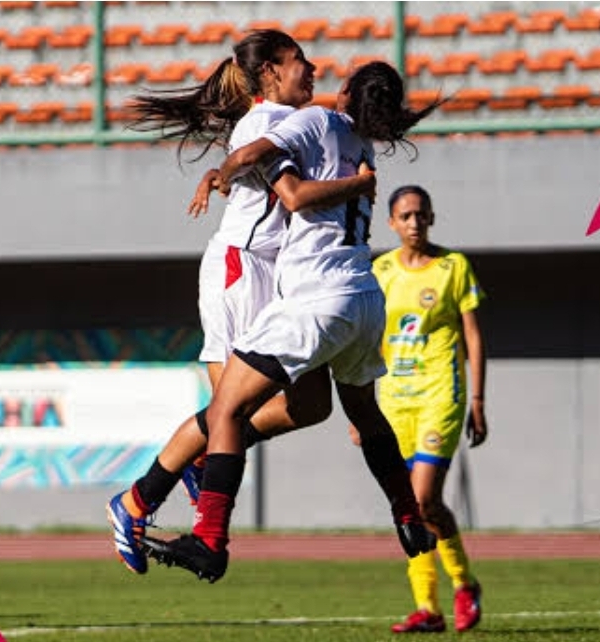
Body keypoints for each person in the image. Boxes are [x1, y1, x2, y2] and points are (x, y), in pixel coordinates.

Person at [145, 61, 443, 583]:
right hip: (363, 296)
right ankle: (408, 515)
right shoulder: (363, 148)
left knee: (226, 410)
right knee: (364, 412)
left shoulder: (317, 120)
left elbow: (258, 158)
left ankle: (209, 539)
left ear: (345, 91)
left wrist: (224, 173)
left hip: (316, 297)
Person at [107, 30, 377, 575]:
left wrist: (222, 173)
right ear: (271, 71)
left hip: (282, 275)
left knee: (310, 406)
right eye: (299, 60)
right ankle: (137, 500)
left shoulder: (289, 121)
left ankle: (199, 461)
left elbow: (245, 166)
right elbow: (290, 192)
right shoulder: (266, 123)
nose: (312, 68)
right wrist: (358, 184)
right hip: (243, 266)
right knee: (225, 409)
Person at [349, 185, 487, 633]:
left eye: (421, 215)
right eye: (405, 216)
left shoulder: (453, 266)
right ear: (391, 222)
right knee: (408, 504)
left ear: (432, 218)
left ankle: (464, 583)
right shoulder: (381, 270)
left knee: (424, 497)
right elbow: (366, 338)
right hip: (393, 400)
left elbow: (473, 336)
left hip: (439, 395)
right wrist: (360, 408)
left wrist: (478, 399)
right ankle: (428, 607)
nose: (414, 223)